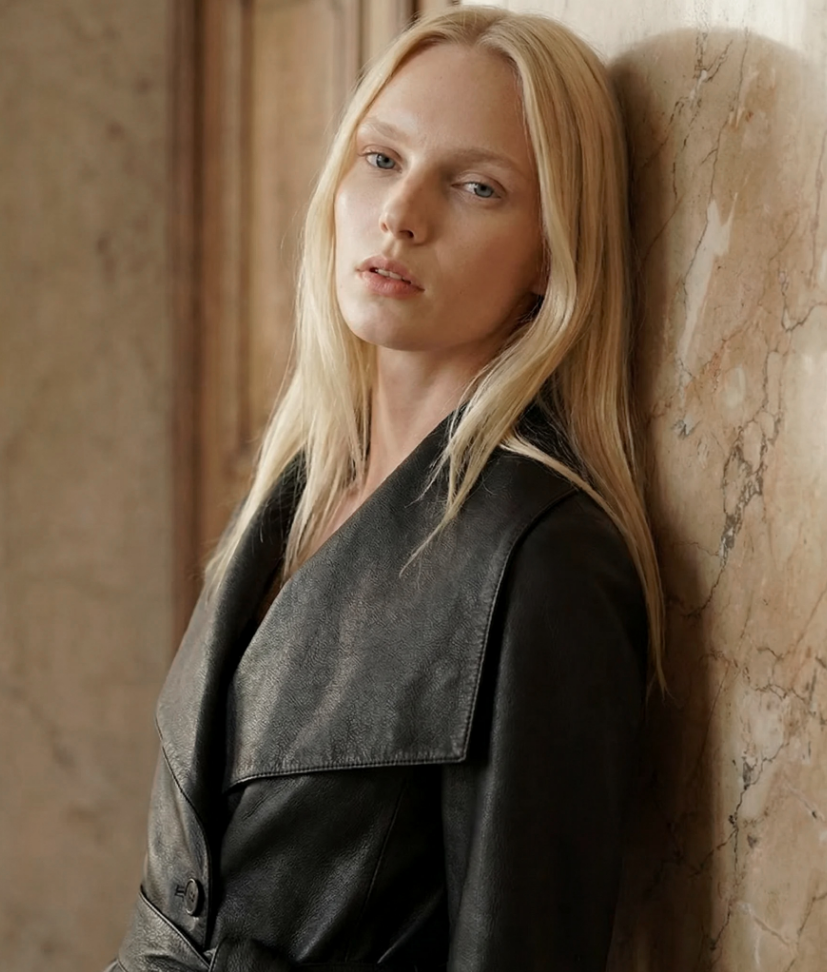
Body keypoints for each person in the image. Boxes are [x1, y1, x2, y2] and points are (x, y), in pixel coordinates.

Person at [105, 6, 665, 971]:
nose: (401, 214)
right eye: (379, 159)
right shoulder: (292, 492)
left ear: (548, 256)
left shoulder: (545, 559)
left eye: (477, 186)